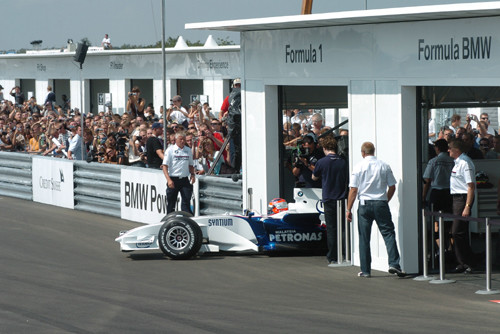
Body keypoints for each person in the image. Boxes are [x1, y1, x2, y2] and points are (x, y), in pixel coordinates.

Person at [346, 142, 406, 278]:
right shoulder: (384, 166)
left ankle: (366, 270)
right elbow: (392, 187)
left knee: (364, 237)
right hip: (380, 202)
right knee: (388, 233)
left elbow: (353, 190)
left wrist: (348, 209)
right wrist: (385, 200)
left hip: (364, 204)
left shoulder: (358, 166)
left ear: (363, 153)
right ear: (374, 151)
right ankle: (394, 264)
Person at [312, 135, 348, 266]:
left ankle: (333, 255)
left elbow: (314, 177)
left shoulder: (321, 162)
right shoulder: (343, 161)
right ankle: (345, 252)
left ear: (325, 148)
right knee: (344, 228)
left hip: (328, 198)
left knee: (332, 228)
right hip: (343, 197)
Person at [422, 139, 454, 257]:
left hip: (436, 193)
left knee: (436, 221)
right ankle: (450, 248)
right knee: (450, 221)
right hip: (450, 193)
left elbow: (427, 180)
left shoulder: (433, 161)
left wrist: (423, 197)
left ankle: (440, 250)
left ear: (437, 148)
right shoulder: (453, 161)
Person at [448, 138, 476, 273]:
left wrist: (467, 206)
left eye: (450, 149)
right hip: (456, 198)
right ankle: (463, 262)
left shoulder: (465, 163)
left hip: (463, 198)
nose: (448, 151)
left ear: (456, 150)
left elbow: (471, 186)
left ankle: (467, 261)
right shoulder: (457, 162)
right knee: (460, 232)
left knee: (457, 231)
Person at [162, 132, 196, 214]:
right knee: (171, 203)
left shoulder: (188, 150)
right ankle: (169, 219)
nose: (182, 141)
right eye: (180, 139)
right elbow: (164, 166)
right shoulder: (170, 150)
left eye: (184, 139)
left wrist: (193, 174)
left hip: (184, 179)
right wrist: (169, 180)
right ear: (176, 140)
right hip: (173, 179)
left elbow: (191, 165)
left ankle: (187, 219)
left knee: (186, 201)